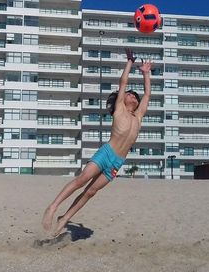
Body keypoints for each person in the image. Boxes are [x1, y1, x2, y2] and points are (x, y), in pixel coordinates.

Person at [42, 48, 153, 237]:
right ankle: (52, 208)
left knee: (91, 192)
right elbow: (123, 82)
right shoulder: (119, 109)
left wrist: (146, 73)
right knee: (82, 179)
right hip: (107, 152)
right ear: (122, 98)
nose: (133, 96)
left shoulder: (139, 116)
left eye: (136, 96)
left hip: (117, 162)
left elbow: (148, 94)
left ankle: (65, 218)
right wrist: (129, 62)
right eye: (130, 94)